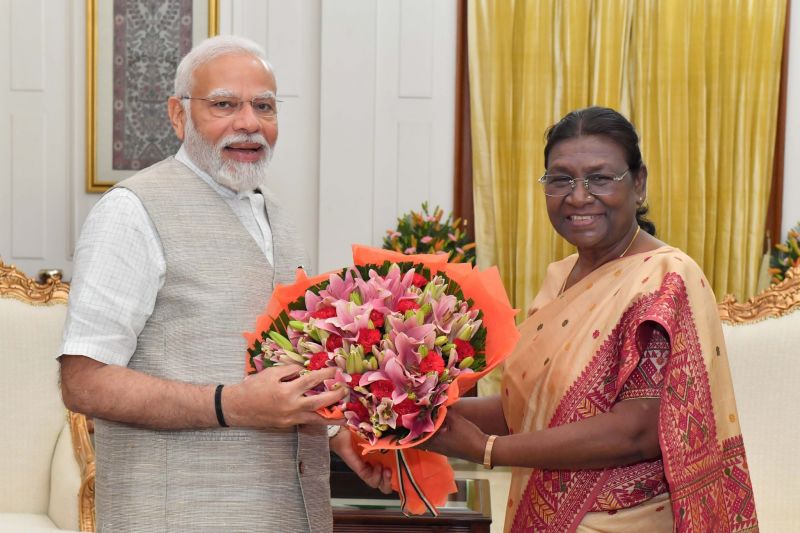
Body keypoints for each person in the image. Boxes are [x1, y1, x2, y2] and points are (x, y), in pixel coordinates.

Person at [59, 35, 389, 532]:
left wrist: (340, 434)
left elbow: (290, 367)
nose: (249, 122)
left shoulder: (278, 215)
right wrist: (227, 405)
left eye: (264, 106)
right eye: (224, 104)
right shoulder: (130, 212)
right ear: (178, 114)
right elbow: (84, 381)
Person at [424, 107, 758, 532]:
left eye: (600, 178)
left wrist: (489, 450)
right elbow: (527, 410)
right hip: (541, 507)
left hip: (625, 520)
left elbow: (638, 430)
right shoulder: (558, 277)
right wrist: (422, 412)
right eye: (561, 179)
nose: (578, 196)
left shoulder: (665, 278)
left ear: (638, 184)